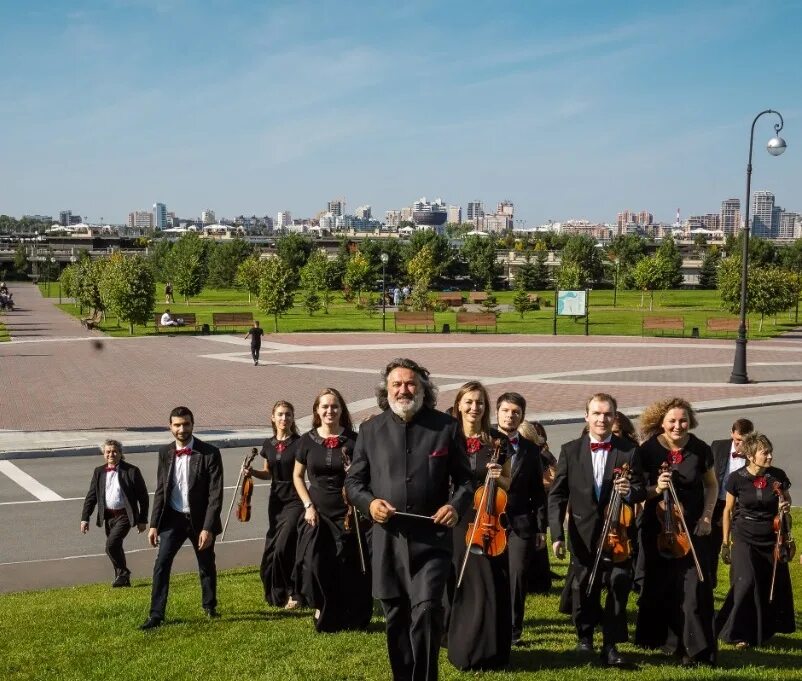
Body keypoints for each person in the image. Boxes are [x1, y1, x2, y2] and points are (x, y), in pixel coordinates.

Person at [345, 358, 473, 681]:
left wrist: (456, 506)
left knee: (428, 611)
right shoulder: (370, 430)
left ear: (423, 388)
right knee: (397, 618)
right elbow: (353, 483)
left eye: (411, 383)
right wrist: (369, 503)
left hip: (432, 540)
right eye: (396, 384)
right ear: (386, 390)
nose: (404, 390)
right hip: (388, 541)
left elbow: (467, 481)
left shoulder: (446, 428)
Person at [549, 393, 645, 667]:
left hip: (619, 534)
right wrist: (557, 534)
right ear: (587, 417)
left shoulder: (628, 451)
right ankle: (585, 638)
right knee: (584, 587)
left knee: (618, 583)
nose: (602, 419)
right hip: (583, 532)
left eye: (607, 414)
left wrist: (629, 491)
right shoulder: (570, 450)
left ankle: (611, 644)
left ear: (614, 417)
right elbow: (557, 496)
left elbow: (640, 490)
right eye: (597, 413)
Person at [634, 397, 717, 666]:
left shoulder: (700, 449)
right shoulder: (648, 450)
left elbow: (712, 486)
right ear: (662, 422)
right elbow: (640, 492)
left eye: (683, 420)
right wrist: (657, 488)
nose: (678, 425)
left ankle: (695, 648)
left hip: (691, 528)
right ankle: (667, 642)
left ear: (690, 421)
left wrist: (706, 517)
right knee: (662, 587)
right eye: (672, 420)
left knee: (693, 589)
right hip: (657, 528)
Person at [445, 381, 513, 671]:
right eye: (469, 402)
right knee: (460, 582)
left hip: (489, 521)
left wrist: (499, 476)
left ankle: (491, 650)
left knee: (489, 583)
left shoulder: (497, 441)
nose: (475, 408)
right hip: (458, 520)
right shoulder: (447, 438)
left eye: (480, 403)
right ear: (459, 404)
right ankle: (460, 645)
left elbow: (509, 483)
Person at [292, 387, 372, 632]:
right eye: (325, 406)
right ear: (317, 410)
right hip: (317, 513)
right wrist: (308, 506)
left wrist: (354, 474)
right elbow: (297, 476)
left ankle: (352, 615)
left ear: (341, 410)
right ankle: (322, 608)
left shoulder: (353, 440)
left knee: (349, 565)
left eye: (334, 406)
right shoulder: (306, 440)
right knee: (317, 563)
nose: (330, 411)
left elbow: (366, 475)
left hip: (348, 512)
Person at [140, 406, 224, 630]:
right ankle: (156, 614)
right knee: (161, 564)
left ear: (193, 425)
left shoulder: (210, 453)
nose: (182, 429)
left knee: (206, 564)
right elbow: (161, 491)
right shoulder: (164, 453)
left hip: (200, 520)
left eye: (186, 424)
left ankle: (209, 606)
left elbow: (215, 495)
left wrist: (208, 528)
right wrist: (154, 524)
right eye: (177, 425)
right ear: (170, 426)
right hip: (173, 519)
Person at [716, 432, 795, 648]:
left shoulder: (777, 475)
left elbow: (786, 500)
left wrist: (784, 506)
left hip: (770, 536)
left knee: (766, 584)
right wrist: (726, 542)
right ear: (751, 456)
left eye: (770, 452)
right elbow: (728, 511)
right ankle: (737, 633)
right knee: (746, 583)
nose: (770, 456)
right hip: (744, 535)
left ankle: (762, 630)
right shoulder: (737, 478)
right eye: (765, 453)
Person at [495, 393, 547, 646]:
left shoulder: (529, 449)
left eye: (516, 412)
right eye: (505, 410)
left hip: (520, 522)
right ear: (497, 413)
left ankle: (514, 631)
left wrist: (540, 527)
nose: (510, 415)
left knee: (517, 575)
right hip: (488, 519)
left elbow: (538, 490)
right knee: (492, 576)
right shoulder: (485, 443)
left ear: (522, 416)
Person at [244, 400, 303, 608]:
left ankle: (292, 592)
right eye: (280, 414)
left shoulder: (300, 443)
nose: (284, 418)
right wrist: (252, 473)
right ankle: (277, 592)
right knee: (272, 547)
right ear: (273, 417)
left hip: (296, 499)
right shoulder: (268, 444)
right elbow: (268, 473)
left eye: (288, 414)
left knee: (283, 547)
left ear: (292, 418)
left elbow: (302, 473)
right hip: (276, 500)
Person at [80, 439, 149, 587]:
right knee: (116, 547)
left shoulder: (132, 471)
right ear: (104, 454)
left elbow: (143, 497)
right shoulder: (99, 471)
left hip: (124, 515)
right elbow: (91, 496)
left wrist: (142, 519)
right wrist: (85, 518)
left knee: (111, 545)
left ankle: (123, 573)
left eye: (114, 451)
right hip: (108, 517)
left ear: (120, 453)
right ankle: (122, 579)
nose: (111, 454)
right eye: (108, 451)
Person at [710, 418, 754, 588]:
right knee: (710, 549)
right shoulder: (717, 447)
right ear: (731, 434)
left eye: (744, 441)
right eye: (737, 441)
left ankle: (738, 588)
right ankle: (709, 587)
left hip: (740, 508)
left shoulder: (754, 454)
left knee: (740, 553)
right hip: (716, 505)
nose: (740, 446)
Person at [519, 420, 559, 595]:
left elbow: (553, 478)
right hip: (523, 504)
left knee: (537, 541)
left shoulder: (540, 455)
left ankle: (539, 580)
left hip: (537, 502)